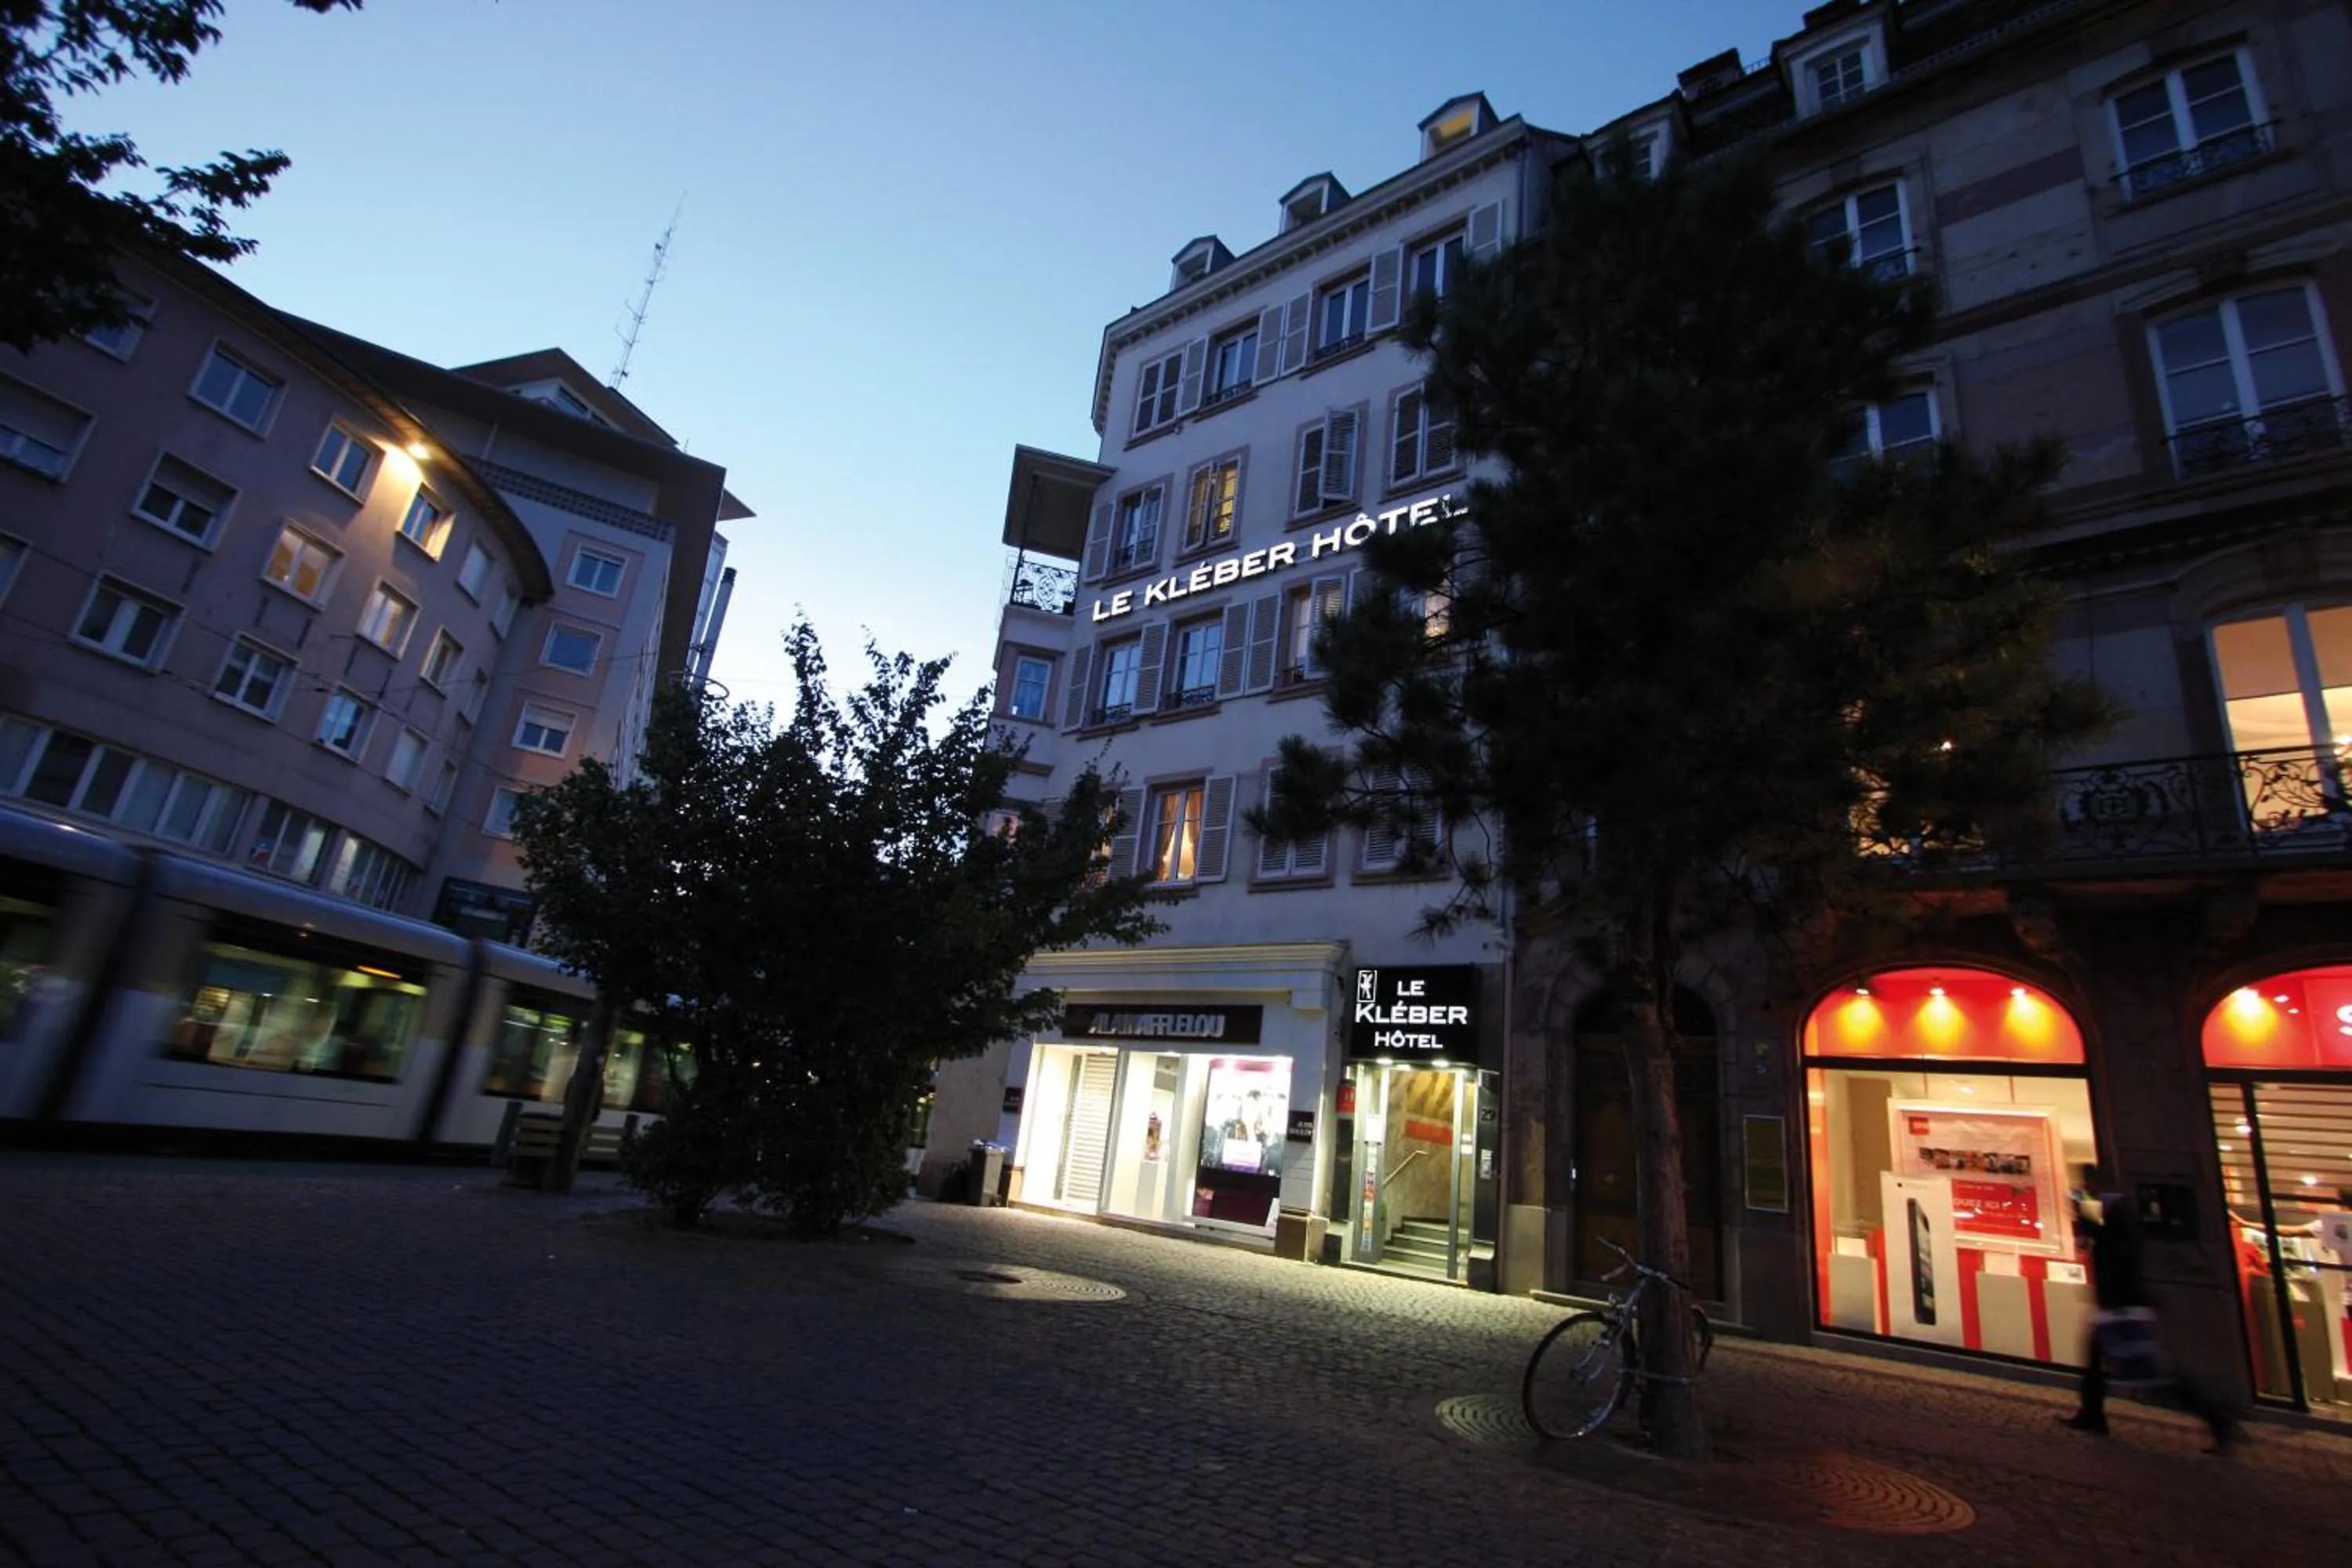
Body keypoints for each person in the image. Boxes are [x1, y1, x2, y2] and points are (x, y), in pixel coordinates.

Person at [2060, 1163, 2241, 1453]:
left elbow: (2103, 1243)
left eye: (2088, 1181)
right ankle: (2092, 1413)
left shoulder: (2116, 1211)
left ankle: (2218, 1420)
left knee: (2153, 1375)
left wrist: (2085, 1213)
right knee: (2096, 1362)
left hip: (2122, 1305)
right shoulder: (2118, 1211)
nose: (2086, 1187)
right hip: (2117, 1303)